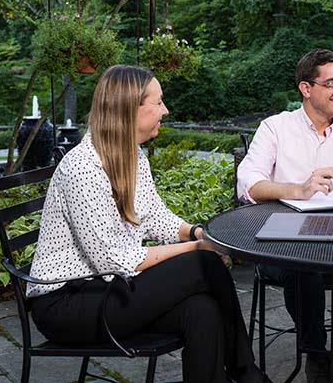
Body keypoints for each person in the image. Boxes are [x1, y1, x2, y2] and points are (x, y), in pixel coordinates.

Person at [27, 65, 269, 383]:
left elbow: (155, 216)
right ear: (130, 108)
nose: (165, 111)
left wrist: (196, 232)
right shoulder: (83, 168)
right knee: (203, 262)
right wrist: (198, 246)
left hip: (106, 289)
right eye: (158, 102)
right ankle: (248, 373)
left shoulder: (132, 155)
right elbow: (116, 260)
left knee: (202, 312)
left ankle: (240, 374)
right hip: (67, 305)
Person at [237, 48, 333, 383]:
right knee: (303, 265)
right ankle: (317, 355)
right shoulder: (275, 128)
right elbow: (248, 184)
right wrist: (300, 188)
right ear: (306, 89)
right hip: (283, 244)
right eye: (332, 82)